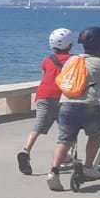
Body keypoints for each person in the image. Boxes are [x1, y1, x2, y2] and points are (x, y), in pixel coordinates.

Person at [45, 27, 100, 192]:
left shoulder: (72, 60)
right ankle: (88, 168)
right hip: (89, 105)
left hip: (66, 104)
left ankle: (54, 171)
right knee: (95, 136)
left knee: (64, 140)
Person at [18, 28, 73, 175]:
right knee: (67, 130)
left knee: (38, 127)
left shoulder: (48, 60)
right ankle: (65, 156)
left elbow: (45, 77)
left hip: (43, 95)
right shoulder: (73, 60)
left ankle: (26, 151)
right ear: (70, 44)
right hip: (62, 97)